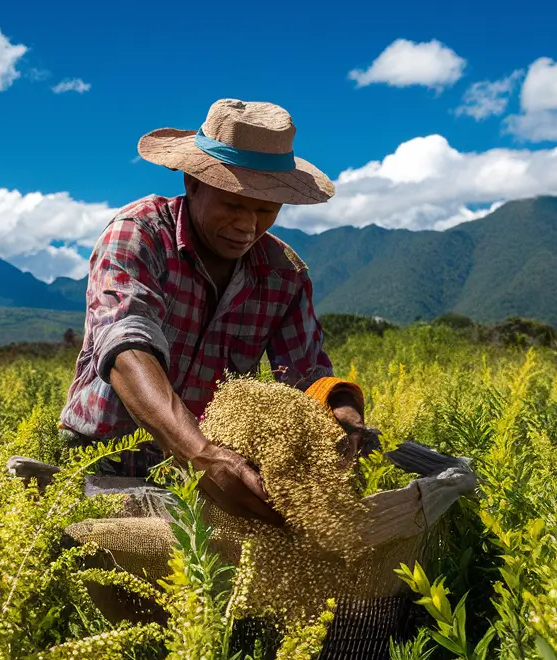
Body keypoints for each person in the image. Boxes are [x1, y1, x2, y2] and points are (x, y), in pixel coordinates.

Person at [58, 99, 375, 526]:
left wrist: (344, 418)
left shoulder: (284, 274)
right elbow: (127, 349)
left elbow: (308, 374)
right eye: (234, 204)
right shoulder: (139, 235)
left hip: (221, 465)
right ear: (193, 183)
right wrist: (198, 454)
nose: (248, 224)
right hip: (111, 459)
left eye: (265, 210)